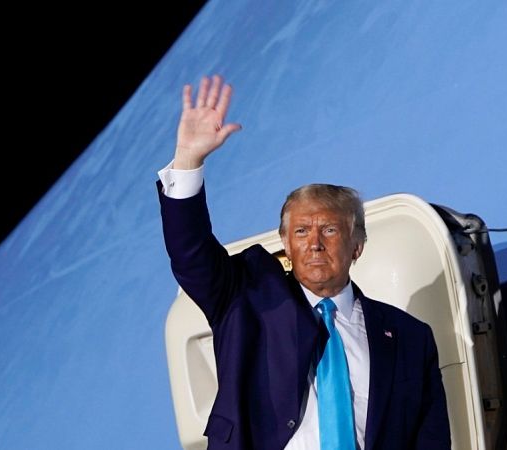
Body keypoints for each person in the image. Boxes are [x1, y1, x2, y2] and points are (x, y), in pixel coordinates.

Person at [157, 74, 450, 449]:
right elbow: (190, 252)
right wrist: (187, 162)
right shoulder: (245, 300)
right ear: (285, 244)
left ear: (357, 245)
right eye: (300, 232)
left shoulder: (411, 337)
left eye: (329, 230)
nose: (314, 243)